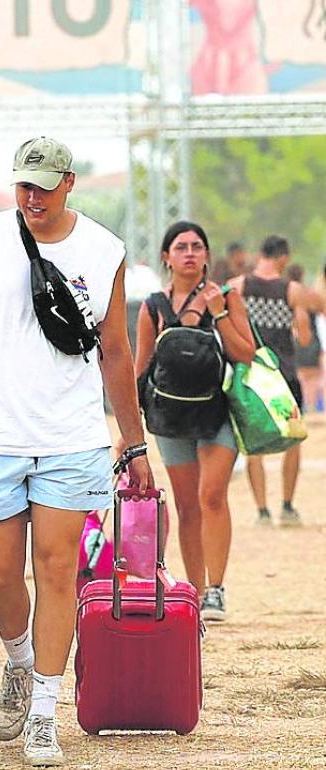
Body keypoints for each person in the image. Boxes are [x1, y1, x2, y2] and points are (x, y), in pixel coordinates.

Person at [0, 137, 154, 767]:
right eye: (24, 185)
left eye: (45, 186)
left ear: (70, 183)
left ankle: (45, 710)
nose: (32, 197)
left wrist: (134, 444)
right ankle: (21, 660)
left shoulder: (104, 250)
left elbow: (116, 352)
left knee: (55, 570)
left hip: (72, 436)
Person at [134, 221, 255, 622]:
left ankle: (216, 590)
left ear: (206, 255)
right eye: (181, 246)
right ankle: (195, 592)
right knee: (187, 506)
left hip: (216, 412)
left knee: (212, 495)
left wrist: (218, 314)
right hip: (169, 418)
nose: (190, 253)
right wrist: (129, 430)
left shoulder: (226, 298)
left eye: (197, 246)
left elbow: (245, 354)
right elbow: (142, 367)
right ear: (166, 257)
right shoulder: (154, 306)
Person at [227, 235, 313, 525]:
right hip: (284, 375)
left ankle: (262, 511)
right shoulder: (292, 290)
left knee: (253, 441)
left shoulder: (239, 286)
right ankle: (287, 506)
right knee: (293, 439)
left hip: (251, 375)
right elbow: (304, 337)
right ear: (284, 258)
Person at [288, 264, 323, 413]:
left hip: (295, 340)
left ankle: (302, 409)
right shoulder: (311, 295)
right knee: (313, 378)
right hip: (312, 339)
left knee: (300, 377)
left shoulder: (288, 294)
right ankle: (312, 408)